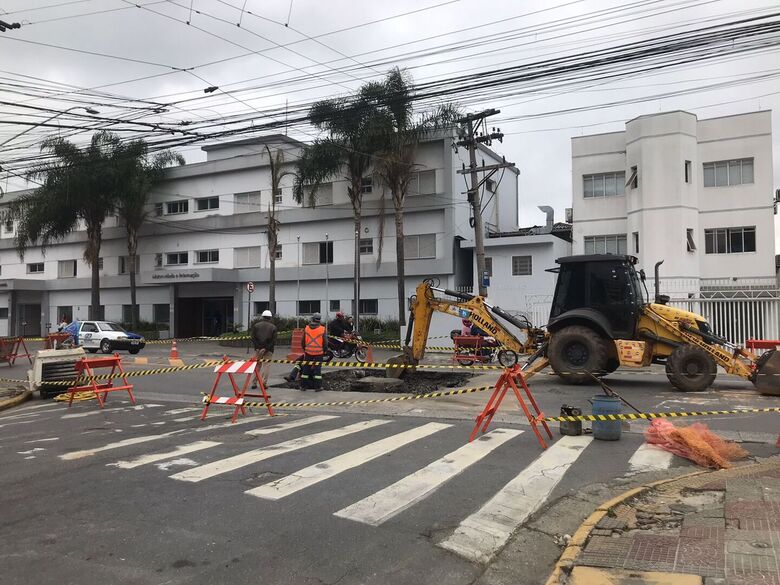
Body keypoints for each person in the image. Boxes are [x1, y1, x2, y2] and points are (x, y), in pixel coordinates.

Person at [285, 313, 327, 391]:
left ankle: (303, 386)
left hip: (308, 352)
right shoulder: (322, 329)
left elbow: (303, 341)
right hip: (319, 353)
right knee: (317, 370)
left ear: (313, 319)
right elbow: (325, 342)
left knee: (306, 369)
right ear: (319, 320)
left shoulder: (307, 328)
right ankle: (318, 387)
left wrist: (305, 349)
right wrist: (324, 350)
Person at [250, 310, 277, 389]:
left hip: (258, 349)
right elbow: (273, 340)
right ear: (270, 317)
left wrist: (258, 348)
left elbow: (253, 337)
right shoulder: (273, 327)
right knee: (266, 366)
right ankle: (263, 383)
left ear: (262, 316)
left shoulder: (256, 326)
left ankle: (254, 383)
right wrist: (266, 348)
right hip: (268, 350)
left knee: (257, 365)